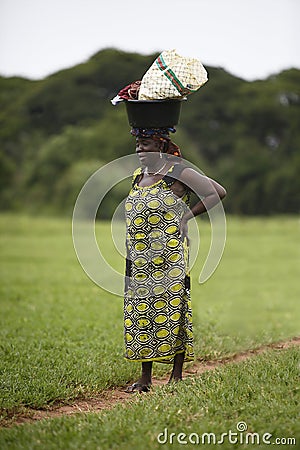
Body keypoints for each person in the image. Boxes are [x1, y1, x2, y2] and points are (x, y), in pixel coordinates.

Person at [124, 127, 226, 393]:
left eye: (145, 144)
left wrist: (185, 217)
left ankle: (176, 376)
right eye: (137, 144)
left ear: (160, 144)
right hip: (139, 257)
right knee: (141, 312)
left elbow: (217, 192)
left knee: (173, 310)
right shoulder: (138, 176)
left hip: (170, 255)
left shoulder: (178, 173)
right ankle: (145, 378)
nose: (139, 150)